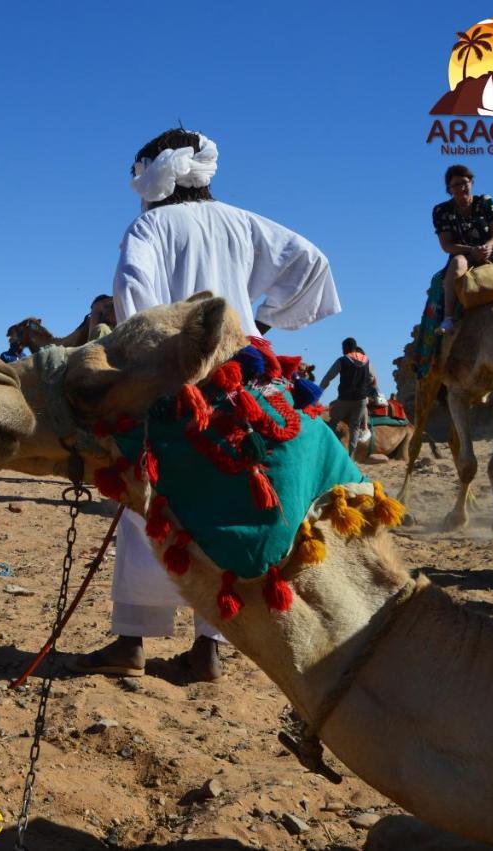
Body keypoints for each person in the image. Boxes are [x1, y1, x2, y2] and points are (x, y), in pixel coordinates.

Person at [71, 127, 340, 681]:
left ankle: (131, 643)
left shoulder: (150, 225)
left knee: (150, 503)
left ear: (153, 174)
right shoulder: (244, 223)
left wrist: (152, 361)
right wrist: (257, 322)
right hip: (240, 381)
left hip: (172, 381)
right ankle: (208, 649)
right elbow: (313, 263)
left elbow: (133, 294)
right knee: (226, 500)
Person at [434, 164, 493, 334]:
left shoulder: (485, 202)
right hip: (464, 253)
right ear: (449, 189)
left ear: (472, 182)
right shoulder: (442, 211)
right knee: (456, 265)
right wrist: (471, 250)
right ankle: (448, 319)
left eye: (465, 182)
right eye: (456, 185)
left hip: (492, 249)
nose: (462, 188)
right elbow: (447, 245)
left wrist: (488, 246)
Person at [319, 338, 379, 454]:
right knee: (355, 427)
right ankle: (351, 457)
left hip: (344, 399)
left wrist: (319, 391)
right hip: (361, 399)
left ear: (345, 348)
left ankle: (326, 450)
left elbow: (328, 377)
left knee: (333, 422)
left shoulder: (342, 360)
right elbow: (372, 378)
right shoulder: (367, 361)